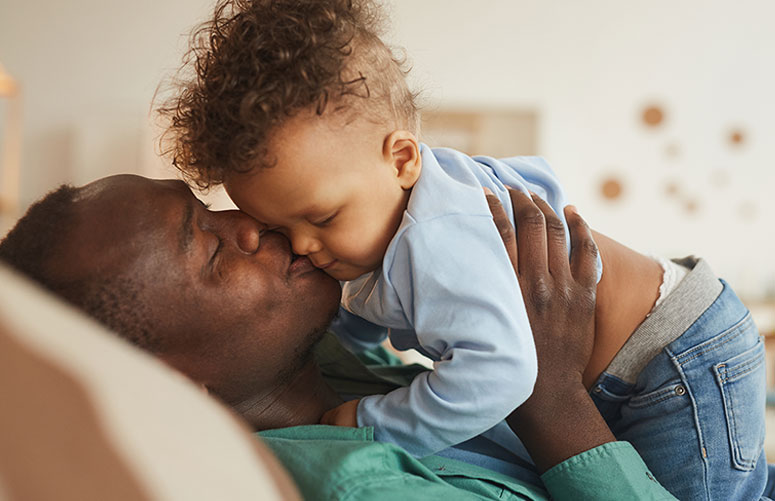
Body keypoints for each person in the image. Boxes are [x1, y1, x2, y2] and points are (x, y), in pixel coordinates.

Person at [159, 1, 766, 499]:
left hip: (672, 356)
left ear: (401, 159)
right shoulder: (385, 219)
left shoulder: (437, 237)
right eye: (278, 226)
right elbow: (370, 311)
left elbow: (500, 375)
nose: (302, 246)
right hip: (645, 357)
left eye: (321, 217)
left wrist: (374, 426)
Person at [0, 174, 677, 500]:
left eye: (208, 207)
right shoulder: (359, 488)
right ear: (168, 382)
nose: (247, 225)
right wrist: (548, 391)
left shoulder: (328, 360)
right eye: (207, 249)